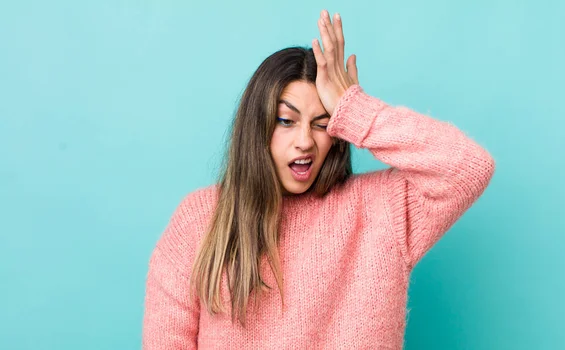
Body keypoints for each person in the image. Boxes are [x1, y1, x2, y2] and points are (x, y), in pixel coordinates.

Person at [142, 9, 495, 349]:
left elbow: (467, 167)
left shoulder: (379, 209)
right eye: (286, 120)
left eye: (323, 123)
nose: (305, 141)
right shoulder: (200, 219)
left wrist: (354, 108)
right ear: (257, 125)